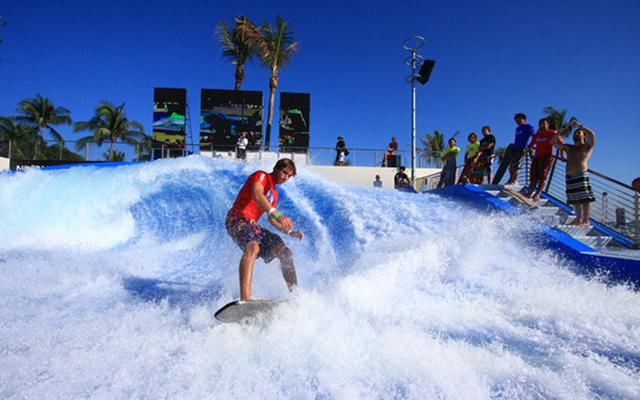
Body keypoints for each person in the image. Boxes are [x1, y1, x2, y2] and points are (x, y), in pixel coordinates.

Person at [225, 158, 304, 301]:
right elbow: (257, 194)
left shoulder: (274, 193)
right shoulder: (261, 176)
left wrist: (289, 232)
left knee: (285, 253)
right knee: (252, 247)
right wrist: (277, 214)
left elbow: (272, 220)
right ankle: (245, 300)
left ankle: (295, 297)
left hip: (252, 225)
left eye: (289, 176)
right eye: (284, 172)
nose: (285, 177)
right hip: (236, 219)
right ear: (276, 168)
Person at [551, 119, 596, 227]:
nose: (576, 133)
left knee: (584, 199)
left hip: (580, 173)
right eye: (575, 132)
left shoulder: (586, 146)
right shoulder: (569, 147)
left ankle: (586, 220)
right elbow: (552, 142)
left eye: (578, 132)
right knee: (575, 199)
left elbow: (592, 134)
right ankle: (578, 218)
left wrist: (579, 125)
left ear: (583, 135)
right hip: (570, 176)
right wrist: (560, 131)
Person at [526, 118, 564, 200]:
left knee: (543, 175)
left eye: (544, 123)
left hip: (547, 155)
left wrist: (562, 156)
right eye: (540, 124)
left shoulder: (553, 133)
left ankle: (538, 193)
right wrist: (531, 155)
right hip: (537, 156)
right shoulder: (537, 135)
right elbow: (530, 146)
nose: (542, 125)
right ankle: (529, 192)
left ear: (548, 124)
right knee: (533, 176)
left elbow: (561, 144)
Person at [507, 113, 535, 185]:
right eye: (517, 121)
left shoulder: (528, 127)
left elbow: (534, 136)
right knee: (511, 167)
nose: (518, 122)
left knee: (515, 166)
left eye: (519, 120)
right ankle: (514, 179)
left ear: (524, 119)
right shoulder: (517, 128)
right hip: (515, 148)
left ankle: (512, 180)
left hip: (522, 148)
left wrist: (531, 145)